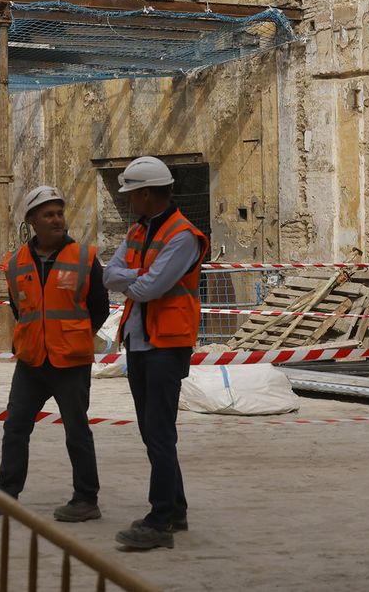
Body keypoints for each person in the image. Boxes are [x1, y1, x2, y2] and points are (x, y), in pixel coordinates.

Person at [0, 184, 108, 523]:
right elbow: (19, 308)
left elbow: (99, 308)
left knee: (77, 431)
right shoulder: (16, 263)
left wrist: (73, 335)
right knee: (15, 427)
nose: (57, 220)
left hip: (70, 361)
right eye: (48, 215)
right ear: (32, 221)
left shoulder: (84, 258)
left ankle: (86, 499)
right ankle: (6, 494)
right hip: (31, 361)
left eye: (59, 213)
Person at [103, 156, 208, 551]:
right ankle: (175, 509)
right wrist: (140, 279)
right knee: (153, 433)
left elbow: (148, 289)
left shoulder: (183, 236)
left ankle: (160, 519)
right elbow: (110, 275)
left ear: (147, 194)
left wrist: (134, 281)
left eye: (131, 194)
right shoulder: (138, 230)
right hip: (140, 341)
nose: (127, 200)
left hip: (166, 344)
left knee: (160, 433)